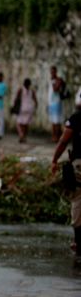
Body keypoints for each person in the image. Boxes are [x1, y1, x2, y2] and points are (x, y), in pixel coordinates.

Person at [51, 90, 81, 257]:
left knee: (77, 198)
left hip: (79, 166)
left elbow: (63, 141)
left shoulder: (76, 118)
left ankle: (78, 241)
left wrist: (55, 160)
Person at [14, 78, 38, 143]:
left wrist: (14, 106)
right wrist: (35, 107)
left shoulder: (20, 90)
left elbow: (16, 99)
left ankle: (21, 134)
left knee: (19, 123)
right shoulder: (32, 91)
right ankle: (24, 137)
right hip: (29, 108)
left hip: (22, 108)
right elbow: (35, 100)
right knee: (26, 124)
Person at [48, 66, 65, 142]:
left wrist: (53, 82)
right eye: (51, 72)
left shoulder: (58, 80)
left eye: (53, 72)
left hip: (57, 102)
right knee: (53, 121)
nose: (52, 73)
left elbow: (55, 89)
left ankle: (57, 137)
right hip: (51, 103)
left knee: (57, 121)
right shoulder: (52, 80)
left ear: (56, 72)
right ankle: (54, 136)